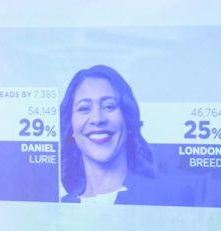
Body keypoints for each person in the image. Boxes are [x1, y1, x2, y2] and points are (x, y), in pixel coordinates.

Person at [59, 65, 183, 206]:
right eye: (84, 109)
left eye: (109, 106)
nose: (97, 119)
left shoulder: (165, 197)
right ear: (71, 126)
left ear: (127, 118)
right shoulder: (59, 206)